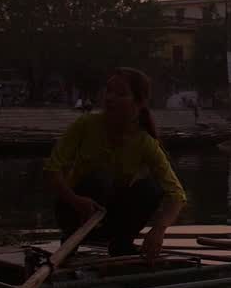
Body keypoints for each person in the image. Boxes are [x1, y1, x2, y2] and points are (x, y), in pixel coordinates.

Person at [44, 67, 187, 262]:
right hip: (75, 213)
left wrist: (159, 229)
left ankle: (122, 245)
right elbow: (52, 170)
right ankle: (71, 241)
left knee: (150, 189)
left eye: (120, 94)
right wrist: (75, 200)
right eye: (108, 91)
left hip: (110, 220)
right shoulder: (85, 125)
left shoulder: (145, 143)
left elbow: (177, 195)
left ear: (138, 102)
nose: (109, 98)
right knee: (99, 180)